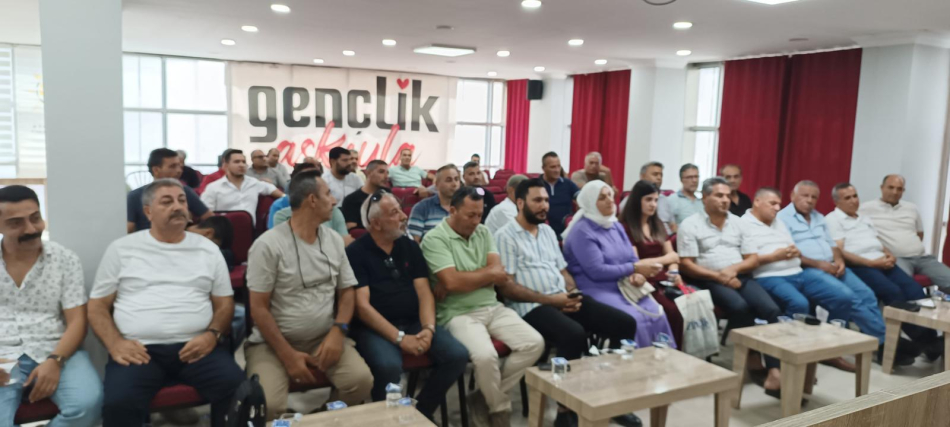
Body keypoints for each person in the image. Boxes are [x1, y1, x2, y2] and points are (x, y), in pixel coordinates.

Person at [89, 179, 244, 427]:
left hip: (197, 346)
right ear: (148, 211)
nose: (178, 207)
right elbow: (97, 306)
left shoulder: (207, 249)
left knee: (237, 388)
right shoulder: (122, 249)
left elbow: (225, 303)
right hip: (140, 349)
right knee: (119, 402)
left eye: (182, 201)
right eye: (167, 201)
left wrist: (213, 335)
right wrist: (115, 343)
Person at [496, 179, 640, 427]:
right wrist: (553, 300)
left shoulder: (547, 232)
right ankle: (564, 410)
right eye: (537, 200)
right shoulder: (505, 236)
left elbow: (563, 271)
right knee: (573, 334)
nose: (544, 206)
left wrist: (572, 294)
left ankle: (609, 397)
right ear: (520, 203)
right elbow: (507, 287)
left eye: (546, 200)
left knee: (624, 323)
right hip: (530, 306)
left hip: (561, 297)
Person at [245, 170, 373, 420]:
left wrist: (338, 331)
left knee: (360, 382)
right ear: (312, 200)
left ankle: (319, 419)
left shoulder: (333, 240)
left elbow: (347, 291)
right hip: (272, 343)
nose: (334, 200)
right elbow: (258, 308)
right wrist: (287, 355)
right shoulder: (268, 245)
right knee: (267, 405)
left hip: (323, 336)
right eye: (328, 194)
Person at [420, 186, 544, 427]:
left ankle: (482, 397)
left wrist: (461, 278)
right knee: (485, 356)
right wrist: (479, 276)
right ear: (452, 210)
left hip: (492, 306)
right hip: (457, 313)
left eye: (480, 214)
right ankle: (498, 408)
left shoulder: (484, 231)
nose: (476, 221)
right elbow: (453, 282)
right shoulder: (435, 239)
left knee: (534, 343)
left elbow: (498, 275)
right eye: (470, 215)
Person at [348, 191, 469, 421]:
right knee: (389, 366)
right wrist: (400, 338)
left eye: (400, 210)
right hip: (374, 329)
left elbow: (424, 292)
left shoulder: (409, 246)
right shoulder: (356, 252)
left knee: (457, 355)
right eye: (394, 213)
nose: (404, 216)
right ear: (376, 223)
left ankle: (419, 414)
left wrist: (428, 329)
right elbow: (362, 307)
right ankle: (386, 421)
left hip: (414, 321)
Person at [741, 187, 877, 383]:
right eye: (772, 204)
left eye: (779, 204)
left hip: (798, 271)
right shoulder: (743, 224)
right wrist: (776, 256)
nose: (777, 208)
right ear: (757, 202)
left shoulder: (779, 222)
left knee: (843, 297)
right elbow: (748, 260)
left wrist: (794, 252)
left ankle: (830, 351)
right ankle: (790, 361)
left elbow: (793, 247)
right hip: (769, 275)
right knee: (799, 304)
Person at [777, 181, 919, 364]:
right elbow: (790, 253)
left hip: (833, 266)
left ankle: (880, 344)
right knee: (849, 298)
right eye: (805, 196)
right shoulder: (782, 219)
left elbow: (833, 245)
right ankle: (886, 343)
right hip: (808, 269)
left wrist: (839, 261)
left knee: (867, 295)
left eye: (814, 197)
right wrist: (820, 265)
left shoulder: (818, 217)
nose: (810, 200)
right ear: (792, 195)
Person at [0, 186, 102, 427]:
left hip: (55, 347)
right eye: (16, 223)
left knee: (87, 405)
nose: (31, 229)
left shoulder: (64, 258)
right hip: (3, 354)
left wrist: (55, 361)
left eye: (35, 218)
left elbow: (77, 321)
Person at [678, 178, 782, 378]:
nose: (725, 200)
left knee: (772, 309)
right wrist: (720, 276)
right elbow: (687, 265)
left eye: (727, 195)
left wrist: (732, 271)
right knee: (740, 307)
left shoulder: (738, 223)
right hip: (707, 279)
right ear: (705, 197)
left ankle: (774, 368)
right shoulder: (690, 224)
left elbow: (752, 259)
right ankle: (750, 356)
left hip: (739, 275)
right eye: (719, 195)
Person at [828, 183, 941, 360]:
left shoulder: (863, 218)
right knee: (893, 293)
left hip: (882, 261)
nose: (853, 201)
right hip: (860, 265)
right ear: (836, 202)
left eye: (855, 196)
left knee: (915, 290)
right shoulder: (833, 220)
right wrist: (870, 263)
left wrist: (889, 255)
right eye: (847, 198)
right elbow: (840, 251)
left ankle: (931, 339)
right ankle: (922, 341)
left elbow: (877, 241)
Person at [563, 180, 676, 350]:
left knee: (657, 314)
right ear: (590, 202)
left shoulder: (614, 224)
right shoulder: (582, 231)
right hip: (596, 288)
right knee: (636, 320)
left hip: (625, 284)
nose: (610, 200)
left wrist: (637, 274)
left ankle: (661, 360)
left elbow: (631, 257)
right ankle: (635, 363)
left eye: (610, 195)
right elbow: (597, 271)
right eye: (602, 197)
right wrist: (634, 268)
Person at [619, 180, 687, 349]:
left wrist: (674, 272)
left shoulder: (657, 224)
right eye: (648, 199)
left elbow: (674, 258)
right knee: (672, 310)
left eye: (656, 200)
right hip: (642, 280)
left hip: (665, 279)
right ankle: (666, 351)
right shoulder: (626, 227)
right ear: (637, 201)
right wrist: (666, 259)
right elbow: (637, 264)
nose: (653, 204)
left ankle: (678, 352)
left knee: (686, 305)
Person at [860, 174, 950, 291]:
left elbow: (919, 233)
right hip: (897, 259)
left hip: (922, 258)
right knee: (904, 287)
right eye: (891, 187)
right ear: (882, 187)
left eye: (899, 189)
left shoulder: (911, 208)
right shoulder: (865, 208)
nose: (895, 192)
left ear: (903, 191)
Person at [129, 148, 212, 233]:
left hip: (181, 238)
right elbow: (128, 228)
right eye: (173, 166)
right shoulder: (135, 196)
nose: (179, 171)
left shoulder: (186, 191)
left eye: (180, 166)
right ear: (156, 170)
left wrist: (191, 230)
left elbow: (209, 217)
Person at [269, 163, 353, 245]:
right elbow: (284, 246)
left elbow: (346, 242)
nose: (334, 202)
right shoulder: (282, 215)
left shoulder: (333, 211)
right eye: (327, 194)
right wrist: (337, 242)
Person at [200, 149, 284, 225]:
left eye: (243, 162)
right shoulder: (213, 188)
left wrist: (285, 198)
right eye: (236, 162)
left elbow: (271, 189)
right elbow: (205, 214)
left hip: (249, 231)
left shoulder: (254, 183)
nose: (241, 165)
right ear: (226, 165)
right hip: (223, 231)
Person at [408, 164, 461, 242]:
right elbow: (413, 244)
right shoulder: (421, 208)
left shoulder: (465, 207)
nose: (454, 184)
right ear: (436, 184)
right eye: (449, 180)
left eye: (456, 179)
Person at [620, 162, 674, 234]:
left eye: (661, 175)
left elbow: (673, 225)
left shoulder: (665, 199)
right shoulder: (629, 200)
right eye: (655, 174)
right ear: (642, 176)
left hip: (666, 237)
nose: (659, 178)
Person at [539, 152, 580, 239]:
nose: (557, 170)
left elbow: (582, 199)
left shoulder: (568, 184)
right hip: (542, 232)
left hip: (566, 232)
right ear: (543, 168)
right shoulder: (536, 185)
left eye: (558, 166)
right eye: (553, 167)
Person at [343, 160, 390, 230]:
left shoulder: (387, 194)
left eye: (387, 173)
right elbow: (352, 230)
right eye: (381, 172)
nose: (386, 177)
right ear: (368, 173)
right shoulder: (351, 200)